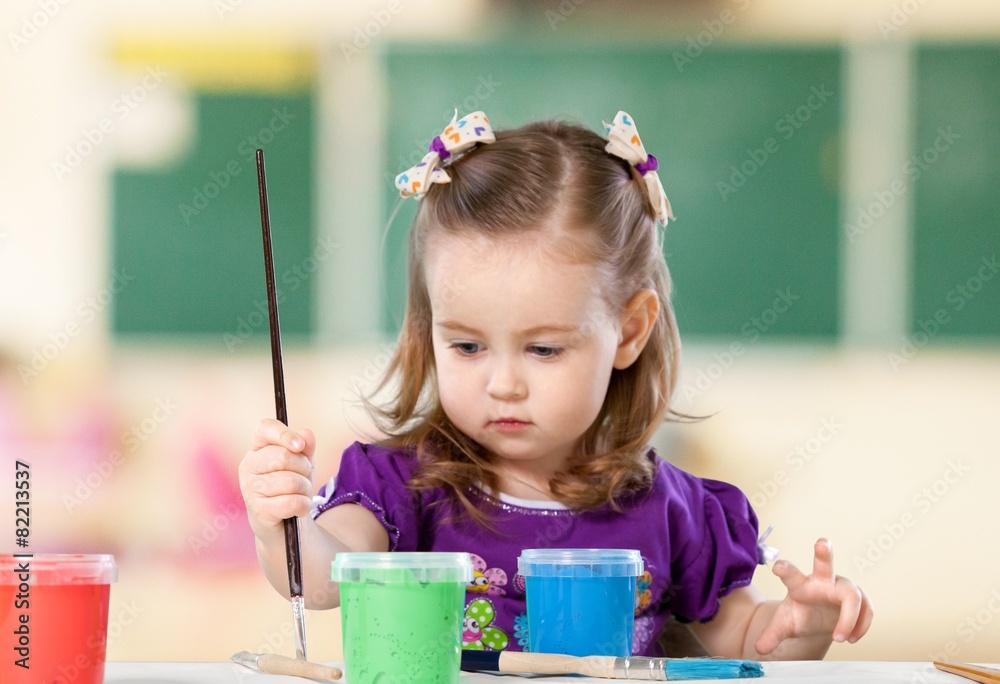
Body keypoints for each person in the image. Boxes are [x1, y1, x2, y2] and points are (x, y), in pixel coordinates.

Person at [239, 110, 873, 659]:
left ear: (628, 332)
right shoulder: (397, 491)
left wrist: (803, 626)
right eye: (466, 346)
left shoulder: (677, 513)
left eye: (543, 349)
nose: (503, 384)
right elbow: (323, 579)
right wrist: (282, 522)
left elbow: (749, 637)